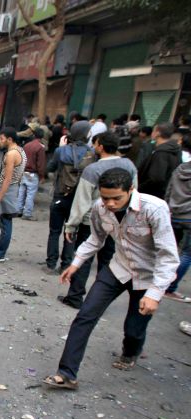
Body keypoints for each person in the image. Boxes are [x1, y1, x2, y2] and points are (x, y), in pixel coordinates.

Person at [43, 168, 179, 389]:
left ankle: (131, 352)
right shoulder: (99, 207)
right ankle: (67, 374)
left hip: (148, 276)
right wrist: (75, 264)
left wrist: (155, 293)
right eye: (106, 198)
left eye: (116, 198)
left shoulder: (154, 208)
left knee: (134, 329)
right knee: (85, 316)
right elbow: (95, 239)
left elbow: (168, 256)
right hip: (118, 269)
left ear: (130, 190)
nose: (111, 204)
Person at [59, 131, 138, 308]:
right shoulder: (129, 165)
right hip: (120, 221)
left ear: (100, 146)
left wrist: (71, 225)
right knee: (108, 261)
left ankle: (75, 296)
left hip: (92, 221)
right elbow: (134, 193)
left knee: (84, 258)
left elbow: (82, 200)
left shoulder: (92, 169)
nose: (93, 147)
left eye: (95, 144)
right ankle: (99, 300)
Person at [44, 121, 94, 274]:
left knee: (54, 231)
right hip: (79, 199)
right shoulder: (92, 154)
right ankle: (66, 264)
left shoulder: (61, 151)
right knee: (71, 231)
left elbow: (49, 168)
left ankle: (51, 263)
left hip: (60, 195)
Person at [0, 127, 26, 262]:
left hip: (7, 190)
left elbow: (7, 179)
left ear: (10, 139)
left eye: (1, 139)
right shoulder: (20, 151)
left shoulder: (11, 154)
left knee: (4, 221)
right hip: (12, 189)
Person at [163, 133, 191, 303]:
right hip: (188, 216)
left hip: (173, 213)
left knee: (167, 250)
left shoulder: (180, 168)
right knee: (187, 254)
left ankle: (158, 281)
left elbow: (169, 190)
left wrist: (168, 208)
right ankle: (169, 288)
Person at [139, 122, 181, 199]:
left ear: (157, 133)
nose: (152, 133)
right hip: (164, 193)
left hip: (151, 195)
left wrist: (139, 187)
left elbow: (156, 178)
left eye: (153, 131)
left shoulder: (161, 153)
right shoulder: (175, 149)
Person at [18, 128, 46, 220]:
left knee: (21, 192)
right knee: (30, 194)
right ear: (42, 137)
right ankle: (27, 213)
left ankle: (18, 210)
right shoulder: (40, 147)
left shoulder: (26, 145)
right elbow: (40, 164)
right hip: (33, 174)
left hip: (24, 171)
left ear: (34, 135)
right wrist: (42, 176)